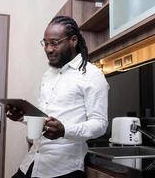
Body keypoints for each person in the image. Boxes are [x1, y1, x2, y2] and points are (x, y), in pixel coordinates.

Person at [6, 16, 109, 178]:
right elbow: (45, 120)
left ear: (73, 40)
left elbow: (100, 124)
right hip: (33, 161)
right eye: (45, 43)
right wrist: (22, 117)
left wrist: (64, 131)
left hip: (63, 169)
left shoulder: (92, 75)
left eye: (54, 43)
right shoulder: (49, 74)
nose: (48, 49)